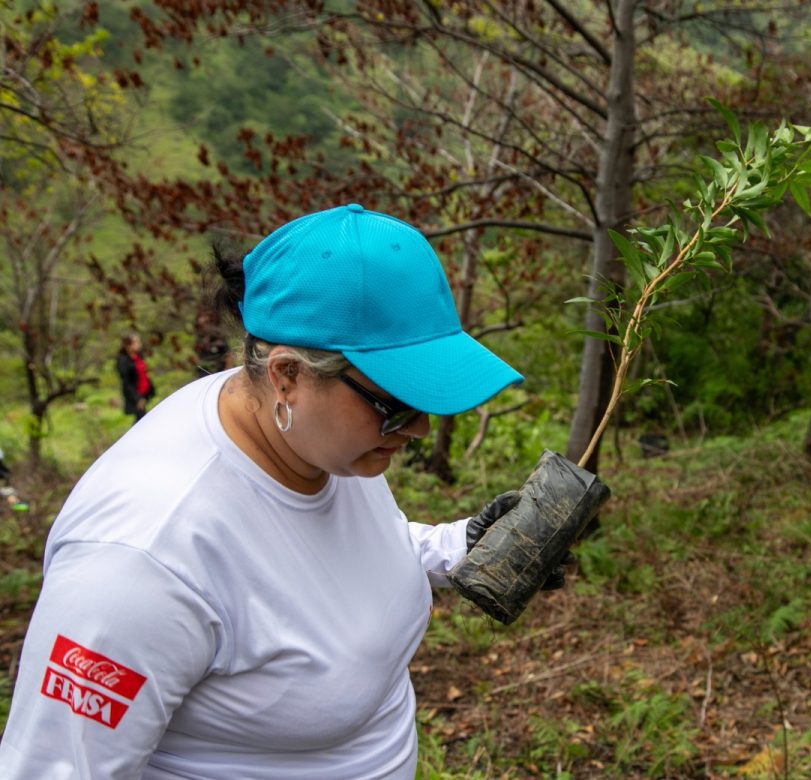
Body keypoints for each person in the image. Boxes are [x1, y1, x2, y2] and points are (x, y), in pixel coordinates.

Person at [0, 203, 551, 778]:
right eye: (397, 404)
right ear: (287, 375)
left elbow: (316, 566)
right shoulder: (139, 564)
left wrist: (457, 546)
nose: (418, 430)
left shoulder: (310, 436)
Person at [116, 332, 155, 422]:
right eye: (136, 342)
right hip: (136, 395)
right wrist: (137, 399)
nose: (139, 345)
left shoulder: (139, 356)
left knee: (142, 419)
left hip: (144, 393)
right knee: (141, 420)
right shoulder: (124, 361)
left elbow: (144, 374)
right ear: (128, 345)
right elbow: (127, 382)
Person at [193, 307, 233, 377]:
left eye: (207, 316)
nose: (205, 319)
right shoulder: (198, 338)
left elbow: (229, 355)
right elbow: (195, 356)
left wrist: (227, 372)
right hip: (204, 374)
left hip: (220, 373)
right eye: (202, 316)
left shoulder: (218, 336)